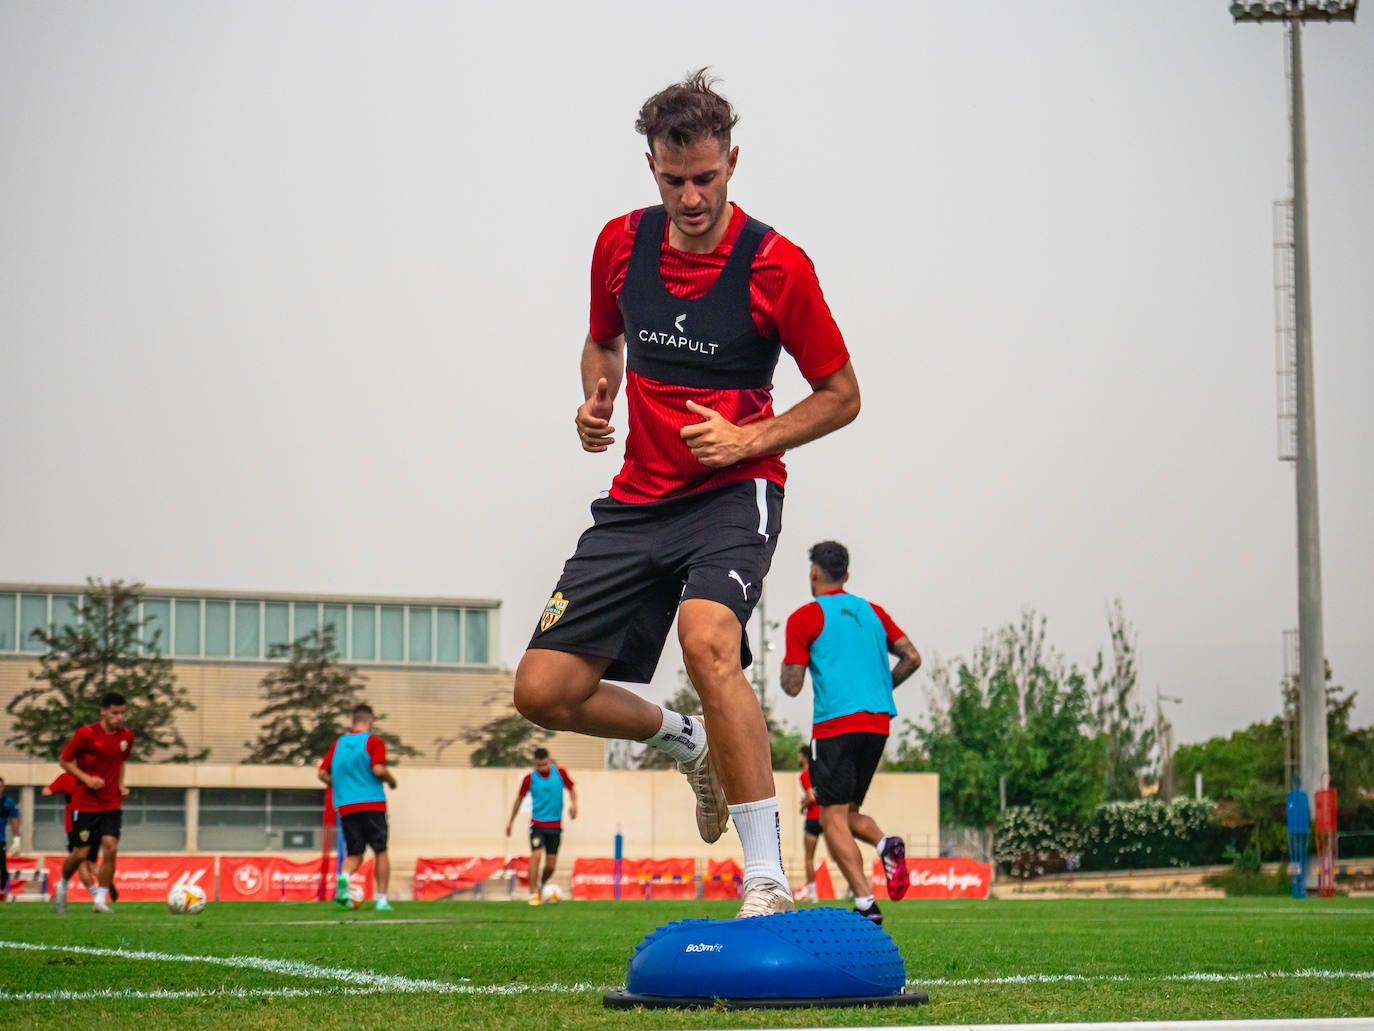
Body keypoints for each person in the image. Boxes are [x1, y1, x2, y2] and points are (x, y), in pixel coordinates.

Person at [511, 69, 860, 920]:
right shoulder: (619, 245)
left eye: (706, 177)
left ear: (732, 162)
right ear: (651, 168)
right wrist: (598, 394)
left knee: (710, 644)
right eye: (675, 181)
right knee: (542, 690)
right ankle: (685, 740)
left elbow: (842, 393)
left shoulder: (778, 266)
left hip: (735, 492)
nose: (692, 196)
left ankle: (768, 879)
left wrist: (749, 438)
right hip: (638, 496)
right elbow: (602, 341)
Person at [781, 541, 922, 924]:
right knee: (848, 813)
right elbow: (912, 657)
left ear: (814, 573)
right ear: (846, 575)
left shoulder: (804, 618)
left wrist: (790, 659)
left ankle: (866, 905)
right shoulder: (874, 613)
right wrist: (879, 689)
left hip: (835, 726)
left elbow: (792, 686)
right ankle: (884, 844)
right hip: (877, 725)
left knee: (830, 820)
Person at [57, 691, 133, 914]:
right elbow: (64, 760)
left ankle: (100, 900)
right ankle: (62, 886)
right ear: (103, 711)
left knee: (111, 847)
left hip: (111, 802)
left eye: (122, 713)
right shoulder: (86, 734)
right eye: (115, 713)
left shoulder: (126, 737)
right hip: (85, 804)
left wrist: (120, 785)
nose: (119, 717)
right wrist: (87, 779)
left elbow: (120, 763)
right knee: (81, 854)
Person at [318, 704, 398, 911]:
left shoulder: (338, 744)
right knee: (380, 851)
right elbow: (379, 768)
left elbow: (322, 774)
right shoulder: (373, 742)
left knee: (354, 853)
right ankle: (381, 900)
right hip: (372, 803)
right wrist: (391, 781)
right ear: (370, 721)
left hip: (346, 806)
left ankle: (344, 879)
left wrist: (342, 786)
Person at [505, 747, 578, 905]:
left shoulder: (560, 773)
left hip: (555, 826)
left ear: (548, 761)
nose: (542, 768)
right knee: (536, 856)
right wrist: (511, 822)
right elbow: (518, 800)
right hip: (537, 824)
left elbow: (572, 788)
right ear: (534, 763)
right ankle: (532, 895)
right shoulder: (529, 779)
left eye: (544, 765)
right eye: (538, 766)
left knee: (551, 866)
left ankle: (541, 885)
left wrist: (574, 805)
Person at [42, 772, 101, 902]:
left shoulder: (70, 777)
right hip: (87, 824)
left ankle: (96, 896)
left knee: (83, 862)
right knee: (86, 863)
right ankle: (100, 895)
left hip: (81, 825)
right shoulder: (89, 775)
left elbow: (47, 790)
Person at [796, 747, 823, 902]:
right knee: (839, 854)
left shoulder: (805, 774)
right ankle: (857, 892)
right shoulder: (819, 773)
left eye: (800, 756)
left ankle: (813, 895)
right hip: (826, 816)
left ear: (805, 757)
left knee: (809, 858)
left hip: (813, 818)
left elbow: (812, 796)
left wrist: (803, 805)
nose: (798, 758)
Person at [0, 777, 19, 901]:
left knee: (3, 870)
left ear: (3, 787)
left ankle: (2, 892)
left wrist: (17, 839)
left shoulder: (8, 802)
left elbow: (14, 822)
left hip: (1, 840)